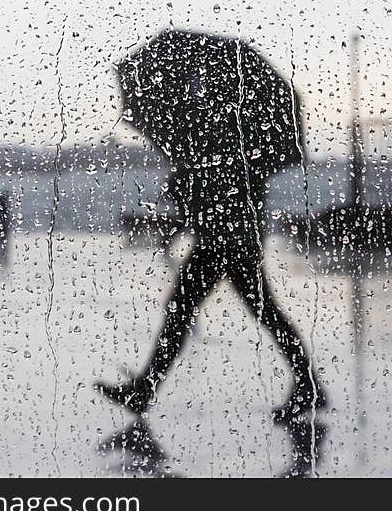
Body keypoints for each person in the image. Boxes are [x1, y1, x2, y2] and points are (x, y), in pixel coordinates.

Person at [96, 134, 326, 425]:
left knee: (185, 311)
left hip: (223, 244)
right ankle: (308, 384)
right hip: (233, 242)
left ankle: (144, 389)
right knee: (261, 312)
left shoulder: (228, 145)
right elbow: (216, 200)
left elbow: (214, 200)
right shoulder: (242, 146)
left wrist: (186, 183)